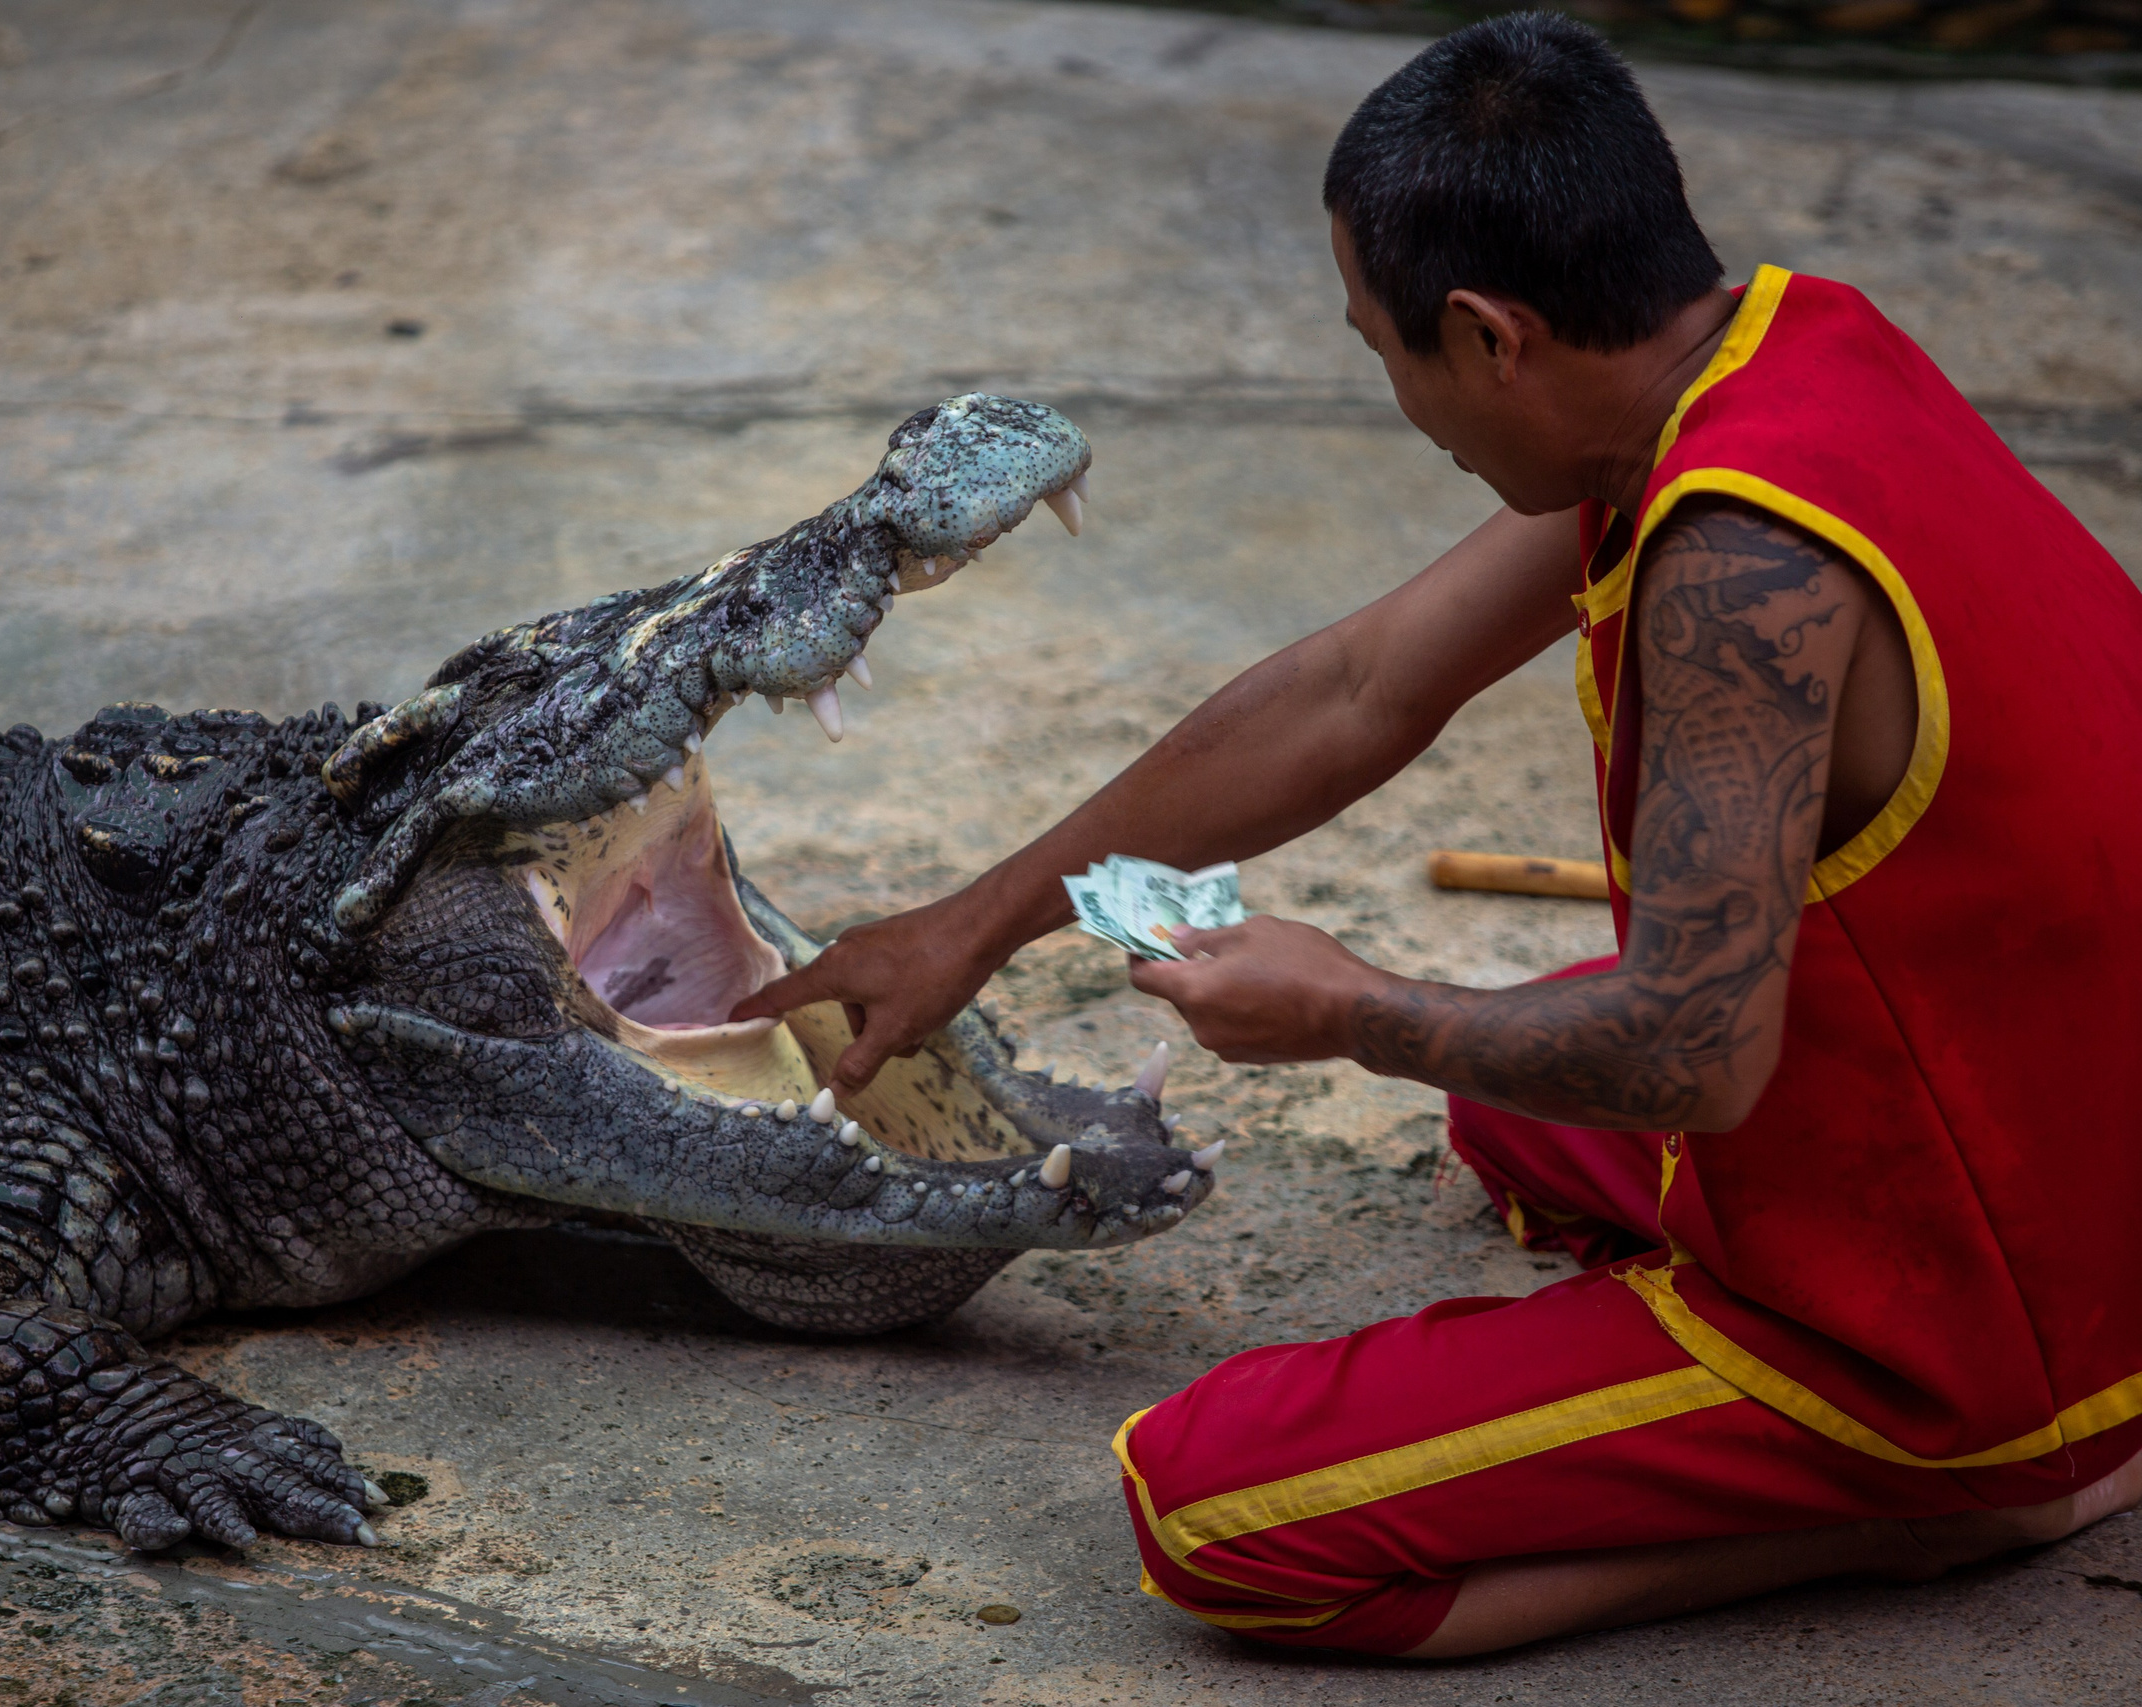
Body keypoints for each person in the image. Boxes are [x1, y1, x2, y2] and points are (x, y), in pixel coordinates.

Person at [732, 10, 2142, 1658]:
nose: (1405, 402)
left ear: (1487, 337)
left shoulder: (1738, 579)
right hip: (2087, 1127)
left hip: (1971, 1316)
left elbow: (1699, 1058)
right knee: (1508, 1117)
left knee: (1211, 1519)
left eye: (1381, 352)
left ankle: (1937, 1497)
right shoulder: (1771, 354)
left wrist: (1347, 1014)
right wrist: (969, 925)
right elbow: (1359, 687)